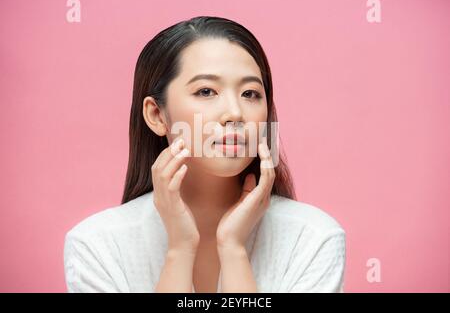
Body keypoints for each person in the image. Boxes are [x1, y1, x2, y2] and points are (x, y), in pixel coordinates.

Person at [63, 16, 346, 293]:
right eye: (206, 91)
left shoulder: (314, 238)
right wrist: (180, 250)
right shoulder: (96, 246)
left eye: (250, 94)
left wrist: (233, 249)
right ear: (156, 114)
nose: (235, 113)